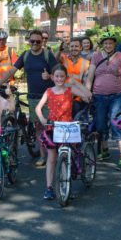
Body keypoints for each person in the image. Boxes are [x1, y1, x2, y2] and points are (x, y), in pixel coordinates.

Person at [0, 29, 58, 167]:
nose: (35, 43)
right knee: (38, 127)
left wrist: (50, 76)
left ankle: (53, 154)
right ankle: (43, 156)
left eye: (38, 41)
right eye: (33, 41)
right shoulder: (26, 55)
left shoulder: (48, 55)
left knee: (49, 126)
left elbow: (59, 74)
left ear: (42, 42)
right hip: (33, 98)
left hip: (49, 97)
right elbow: (12, 70)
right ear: (29, 41)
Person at [35, 64, 92, 200]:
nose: (59, 79)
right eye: (57, 76)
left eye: (62, 76)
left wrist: (75, 83)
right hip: (52, 127)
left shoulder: (70, 90)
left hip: (67, 127)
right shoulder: (49, 91)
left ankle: (67, 183)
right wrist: (42, 118)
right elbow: (38, 108)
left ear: (65, 77)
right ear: (52, 77)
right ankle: (49, 187)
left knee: (69, 155)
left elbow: (88, 95)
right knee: (52, 158)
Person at [86, 32, 121, 168]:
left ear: (114, 44)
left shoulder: (120, 56)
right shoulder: (96, 56)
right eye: (106, 43)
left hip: (117, 96)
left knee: (116, 123)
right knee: (101, 125)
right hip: (99, 96)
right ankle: (105, 150)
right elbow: (90, 77)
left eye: (110, 43)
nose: (108, 45)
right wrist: (87, 93)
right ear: (102, 44)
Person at [61, 37, 90, 115]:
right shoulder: (63, 59)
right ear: (69, 47)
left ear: (81, 48)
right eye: (72, 46)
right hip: (62, 96)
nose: (74, 48)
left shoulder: (86, 63)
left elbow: (86, 83)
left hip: (77, 99)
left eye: (76, 46)